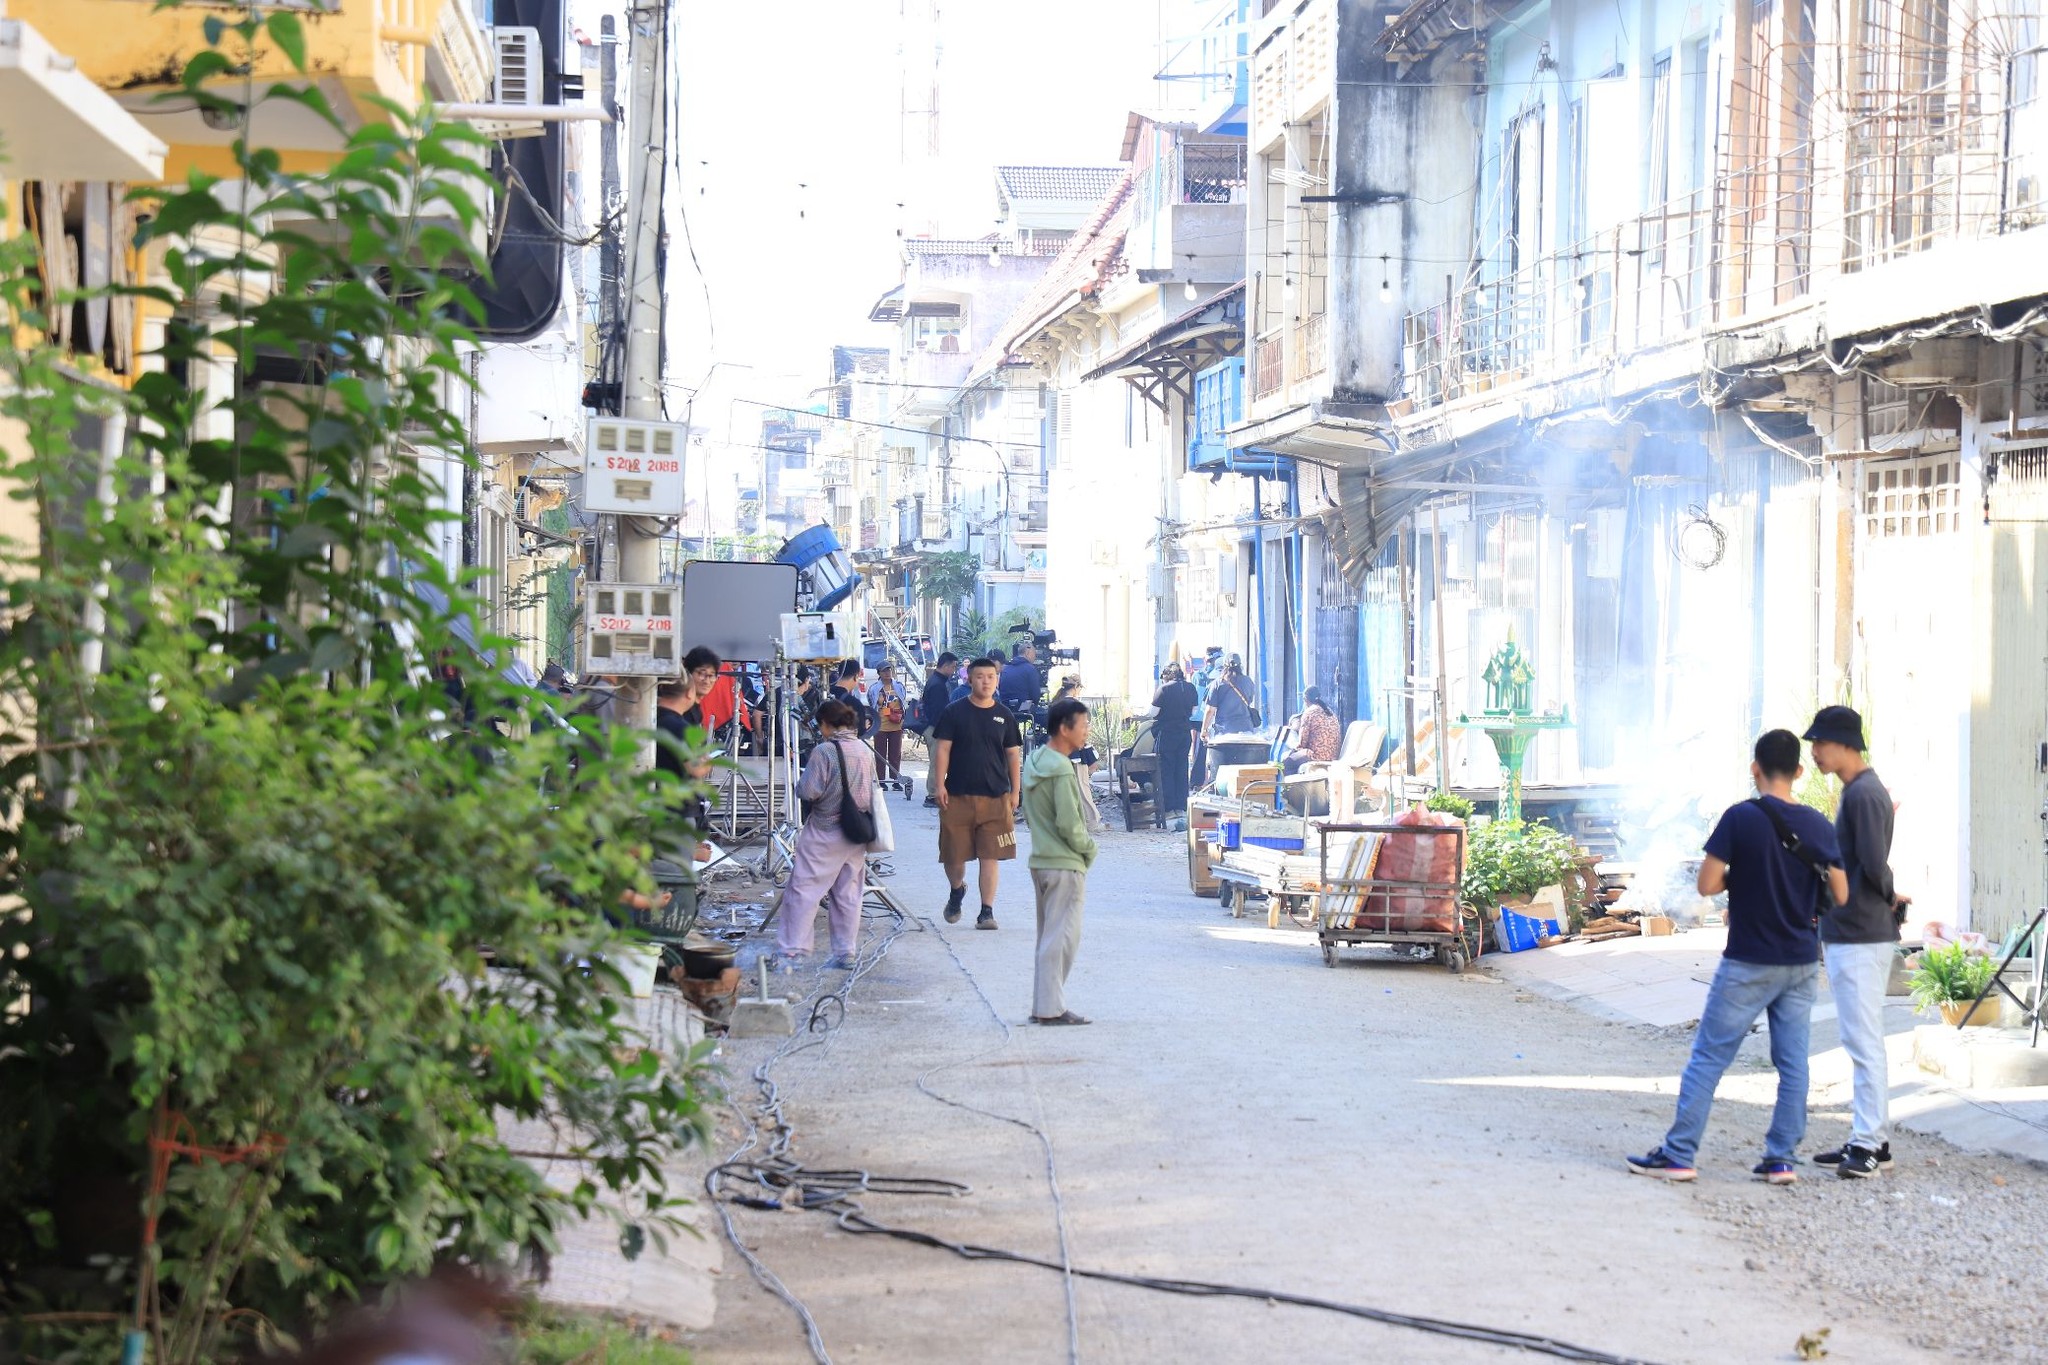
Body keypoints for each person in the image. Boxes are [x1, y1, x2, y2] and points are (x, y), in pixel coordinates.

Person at [1628, 730, 1847, 1184]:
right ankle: (1781, 1159)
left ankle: (1679, 1154)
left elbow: (1707, 884)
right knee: (1793, 1064)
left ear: (1754, 769)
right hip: (1801, 961)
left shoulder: (1740, 817)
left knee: (1709, 1058)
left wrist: (1742, 876)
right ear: (1799, 771)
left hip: (1749, 959)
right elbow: (1841, 895)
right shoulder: (1819, 825)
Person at [1804, 705, 1903, 1180]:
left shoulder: (1863, 793)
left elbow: (1874, 864)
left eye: (1821, 743)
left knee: (1863, 1041)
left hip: (1861, 931)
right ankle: (1871, 1140)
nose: (1815, 753)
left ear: (1846, 744)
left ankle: (1866, 1145)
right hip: (1855, 929)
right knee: (1860, 1038)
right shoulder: (1860, 790)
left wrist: (1889, 897)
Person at [769, 700, 877, 971]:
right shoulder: (864, 750)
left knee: (804, 890)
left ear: (827, 724)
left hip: (825, 830)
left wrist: (799, 784)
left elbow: (809, 791)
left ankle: (792, 950)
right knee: (848, 893)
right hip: (856, 832)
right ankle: (845, 952)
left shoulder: (825, 751)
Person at [1021, 697, 1100, 1025]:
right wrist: (1088, 850)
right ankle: (1051, 1009)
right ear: (1064, 729)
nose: (1086, 731)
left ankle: (1043, 1006)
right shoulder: (1062, 768)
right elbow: (1070, 824)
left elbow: (1030, 814)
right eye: (1083, 725)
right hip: (1065, 864)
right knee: (1062, 938)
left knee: (1048, 937)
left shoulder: (1035, 761)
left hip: (1041, 859)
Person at [931, 657, 1023, 930]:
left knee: (990, 855)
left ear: (997, 680)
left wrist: (1016, 791)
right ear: (969, 679)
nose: (986, 681)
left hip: (996, 797)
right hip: (957, 796)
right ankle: (957, 889)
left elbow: (1013, 755)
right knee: (953, 857)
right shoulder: (954, 712)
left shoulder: (1004, 715)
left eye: (991, 677)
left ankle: (986, 912)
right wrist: (939, 785)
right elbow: (943, 749)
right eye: (980, 676)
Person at [1151, 662, 1199, 823]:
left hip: (1167, 733)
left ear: (1166, 675)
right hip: (1185, 733)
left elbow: (1153, 712)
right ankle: (1181, 807)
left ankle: (1169, 808)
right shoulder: (1191, 688)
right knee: (1182, 768)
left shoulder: (1164, 689)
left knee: (1166, 769)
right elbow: (1194, 711)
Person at [920, 652, 961, 807]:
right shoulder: (937, 684)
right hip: (935, 728)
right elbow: (938, 712)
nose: (954, 670)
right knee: (937, 762)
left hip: (934, 727)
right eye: (953, 667)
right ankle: (932, 795)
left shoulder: (937, 681)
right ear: (945, 666)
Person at [1283, 687, 1342, 776]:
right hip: (1334, 756)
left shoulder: (1309, 713)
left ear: (1305, 699)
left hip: (1316, 756)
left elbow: (1302, 743)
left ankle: (1294, 784)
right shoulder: (1330, 711)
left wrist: (1293, 750)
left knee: (1286, 765)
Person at [869, 662, 909, 793]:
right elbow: (871, 703)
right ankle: (881, 780)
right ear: (879, 673)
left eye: (889, 670)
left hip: (896, 725)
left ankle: (896, 780)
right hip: (880, 726)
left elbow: (903, 701)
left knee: (895, 755)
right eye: (884, 671)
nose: (887, 673)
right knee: (880, 754)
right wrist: (880, 703)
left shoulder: (899, 686)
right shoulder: (874, 688)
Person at [828, 658, 872, 736]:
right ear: (856, 676)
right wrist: (864, 727)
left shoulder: (825, 695)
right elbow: (860, 733)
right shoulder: (855, 704)